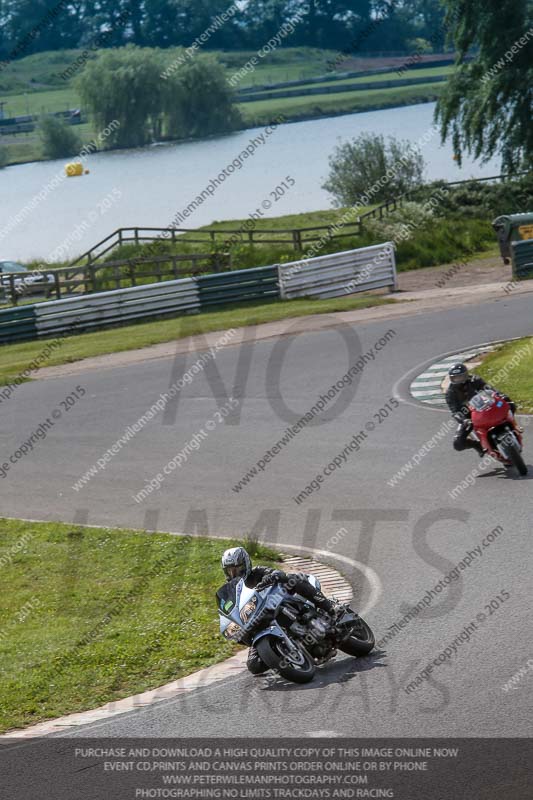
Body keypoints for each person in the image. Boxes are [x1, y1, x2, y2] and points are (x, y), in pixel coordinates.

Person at [216, 546, 337, 675]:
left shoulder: (256, 572)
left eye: (237, 569)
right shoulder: (233, 591)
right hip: (257, 622)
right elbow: (229, 611)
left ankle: (329, 607)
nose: (234, 574)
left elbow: (276, 573)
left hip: (278, 602)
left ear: (245, 564)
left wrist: (272, 576)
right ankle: (283, 652)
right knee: (253, 666)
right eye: (230, 571)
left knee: (292, 580)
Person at [445, 363, 515, 456]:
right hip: (469, 417)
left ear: (466, 375)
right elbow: (454, 411)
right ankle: (478, 446)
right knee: (458, 444)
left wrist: (501, 395)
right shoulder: (450, 393)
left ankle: (513, 426)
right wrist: (463, 420)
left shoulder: (474, 380)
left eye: (461, 377)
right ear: (451, 378)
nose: (459, 380)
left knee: (510, 404)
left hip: (485, 407)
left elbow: (489, 388)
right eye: (456, 378)